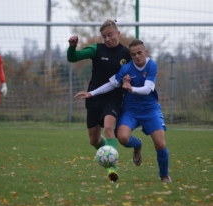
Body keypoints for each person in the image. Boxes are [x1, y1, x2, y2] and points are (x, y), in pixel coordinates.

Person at [74, 39, 171, 183]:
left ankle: (164, 175)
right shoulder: (126, 68)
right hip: (130, 110)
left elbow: (148, 89)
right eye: (133, 54)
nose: (137, 56)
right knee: (123, 138)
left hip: (150, 110)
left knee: (160, 144)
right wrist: (92, 93)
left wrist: (131, 88)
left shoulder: (151, 65)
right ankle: (137, 144)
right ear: (130, 56)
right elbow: (111, 84)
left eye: (139, 53)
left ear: (146, 52)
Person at [68, 19, 131, 182]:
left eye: (110, 35)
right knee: (93, 140)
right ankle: (107, 152)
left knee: (109, 127)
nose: (107, 39)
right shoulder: (97, 49)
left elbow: (136, 73)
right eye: (104, 37)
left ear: (118, 33)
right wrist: (72, 47)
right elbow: (73, 58)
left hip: (114, 98)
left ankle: (113, 170)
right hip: (94, 97)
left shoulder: (126, 53)